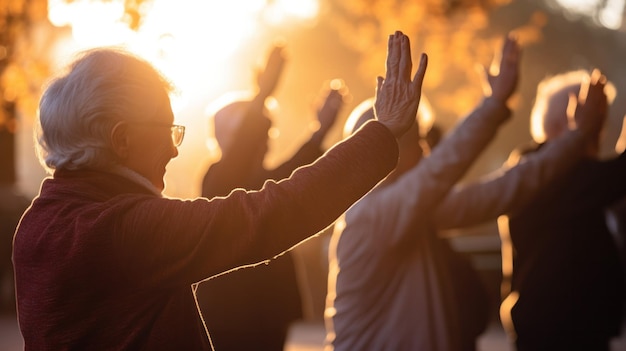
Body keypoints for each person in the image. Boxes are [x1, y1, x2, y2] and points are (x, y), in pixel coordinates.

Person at [12, 30, 427, 350]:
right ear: (121, 140)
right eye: (166, 130)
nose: (175, 150)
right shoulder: (120, 230)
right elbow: (269, 214)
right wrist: (384, 133)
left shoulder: (38, 222)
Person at [324, 35, 608, 351]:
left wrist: (576, 137)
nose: (425, 148)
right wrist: (494, 104)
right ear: (387, 151)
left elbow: (505, 189)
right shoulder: (371, 217)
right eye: (416, 139)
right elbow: (444, 169)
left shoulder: (412, 213)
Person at [197, 43, 346, 351]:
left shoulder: (259, 180)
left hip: (267, 310)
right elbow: (242, 154)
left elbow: (293, 173)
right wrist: (263, 94)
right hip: (232, 315)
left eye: (268, 131)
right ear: (226, 136)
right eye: (259, 131)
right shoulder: (217, 178)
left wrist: (320, 131)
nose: (266, 139)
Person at [498, 69, 626, 351]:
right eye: (591, 118)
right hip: (556, 329)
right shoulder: (540, 171)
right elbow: (617, 176)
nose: (599, 130)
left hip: (561, 324)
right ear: (565, 122)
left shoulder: (536, 168)